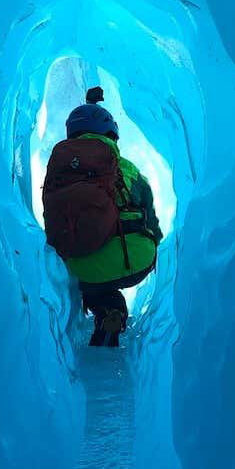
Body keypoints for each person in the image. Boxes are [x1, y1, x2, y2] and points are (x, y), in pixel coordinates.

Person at [42, 86, 163, 347]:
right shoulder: (127, 169)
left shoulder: (59, 171)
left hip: (83, 265)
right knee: (113, 269)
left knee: (91, 280)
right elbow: (152, 219)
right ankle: (115, 312)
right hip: (135, 259)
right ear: (111, 134)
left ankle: (105, 310)